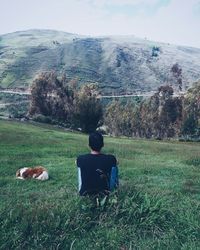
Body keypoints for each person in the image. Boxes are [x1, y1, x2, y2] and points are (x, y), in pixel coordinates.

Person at [76, 132, 118, 196]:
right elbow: (116, 163)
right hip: (105, 194)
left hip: (85, 194)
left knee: (80, 167)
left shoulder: (81, 159)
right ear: (103, 144)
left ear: (89, 145)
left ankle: (81, 189)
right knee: (114, 167)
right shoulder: (111, 159)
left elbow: (76, 162)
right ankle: (113, 189)